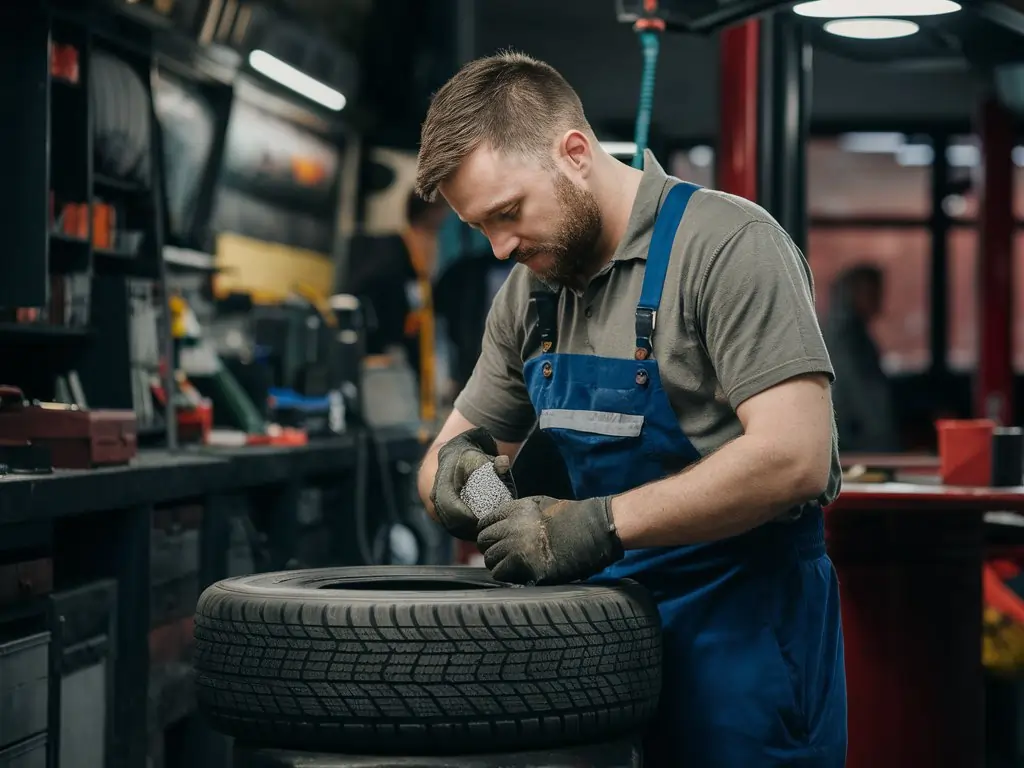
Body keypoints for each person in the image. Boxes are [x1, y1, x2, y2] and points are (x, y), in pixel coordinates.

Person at [413, 51, 847, 766]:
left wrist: (599, 524)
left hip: (746, 647)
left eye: (508, 214)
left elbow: (795, 457)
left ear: (575, 153)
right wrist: (478, 489)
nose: (499, 248)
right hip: (600, 653)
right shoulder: (530, 295)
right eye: (481, 228)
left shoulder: (729, 247)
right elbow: (445, 460)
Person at [346, 190, 450, 420]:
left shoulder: (421, 262)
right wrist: (378, 346)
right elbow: (359, 295)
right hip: (383, 364)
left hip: (410, 364)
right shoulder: (389, 255)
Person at [824, 264, 900, 452]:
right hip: (854, 443)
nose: (879, 299)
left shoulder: (853, 332)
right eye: (872, 292)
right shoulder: (845, 336)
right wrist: (884, 444)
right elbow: (860, 392)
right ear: (853, 293)